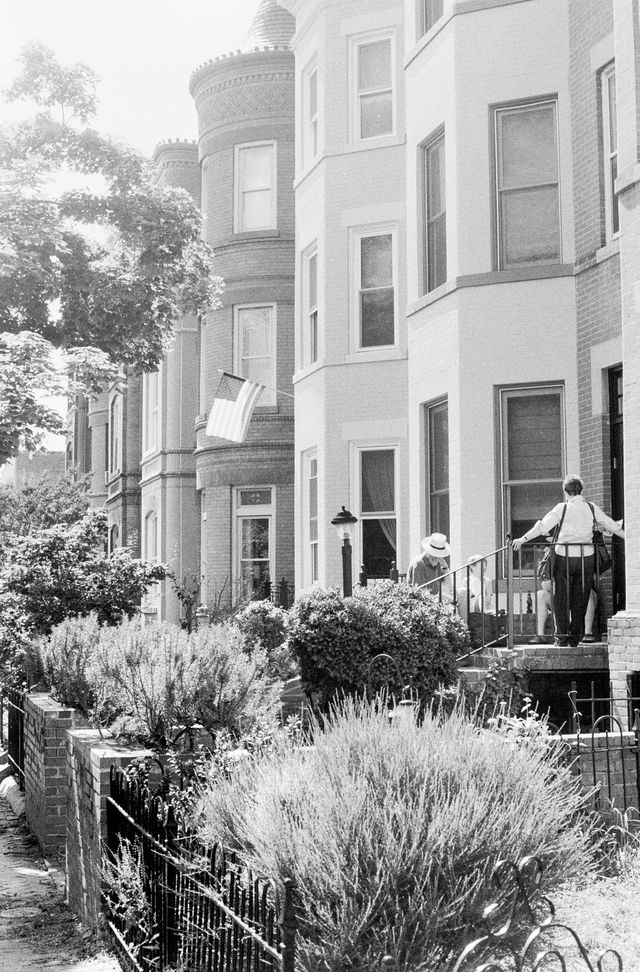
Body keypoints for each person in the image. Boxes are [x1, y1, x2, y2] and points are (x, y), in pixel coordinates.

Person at [513, 474, 625, 647]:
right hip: (585, 557)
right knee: (581, 597)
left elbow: (542, 526)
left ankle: (562, 636)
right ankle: (575, 637)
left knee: (560, 598)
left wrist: (522, 539)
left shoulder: (561, 508)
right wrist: (629, 537)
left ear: (566, 491)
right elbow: (611, 525)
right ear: (581, 490)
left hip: (564, 557)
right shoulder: (591, 508)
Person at [407, 532, 452, 601]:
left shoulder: (437, 563)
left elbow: (449, 587)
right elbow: (417, 593)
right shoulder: (419, 564)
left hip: (434, 598)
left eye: (439, 556)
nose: (437, 559)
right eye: (434, 554)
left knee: (459, 597)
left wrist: (445, 567)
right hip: (423, 602)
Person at [458, 555, 492, 622]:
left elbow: (488, 599)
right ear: (472, 566)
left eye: (485, 565)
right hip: (469, 606)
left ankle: (482, 617)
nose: (484, 567)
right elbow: (462, 598)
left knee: (481, 597)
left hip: (482, 606)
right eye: (481, 565)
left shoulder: (487, 581)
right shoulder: (467, 580)